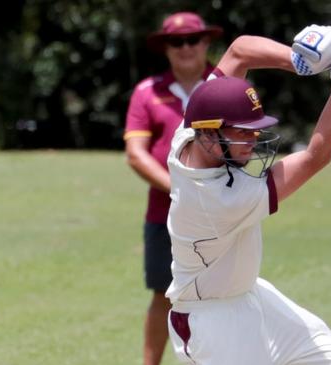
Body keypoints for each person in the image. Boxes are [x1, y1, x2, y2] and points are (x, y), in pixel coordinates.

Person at [165, 22, 331, 365]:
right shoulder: (221, 200)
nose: (254, 141)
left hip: (253, 296)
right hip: (209, 323)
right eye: (243, 133)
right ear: (210, 136)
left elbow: (240, 50)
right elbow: (316, 157)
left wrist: (305, 61)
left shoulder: (188, 135)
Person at [123, 11, 223, 365]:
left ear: (206, 42)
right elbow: (136, 154)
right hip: (164, 215)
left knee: (222, 296)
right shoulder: (147, 92)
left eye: (192, 40)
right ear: (166, 48)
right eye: (176, 42)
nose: (185, 48)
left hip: (222, 212)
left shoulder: (224, 86)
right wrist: (180, 188)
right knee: (163, 297)